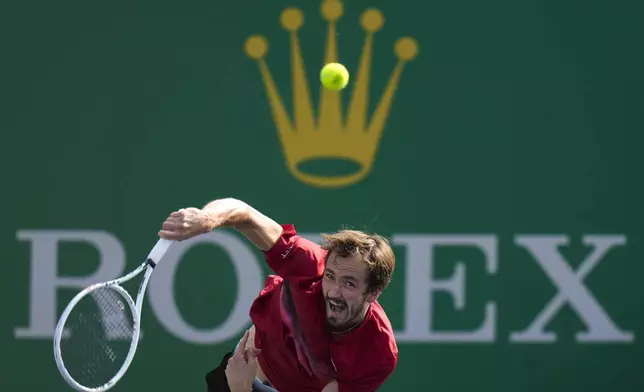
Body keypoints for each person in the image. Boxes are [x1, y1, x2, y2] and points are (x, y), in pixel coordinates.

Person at [158, 198, 398, 392]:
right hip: (239, 370)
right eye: (331, 276)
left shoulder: (378, 352)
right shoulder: (310, 265)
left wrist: (240, 389)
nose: (334, 291)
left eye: (348, 283)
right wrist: (207, 218)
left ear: (373, 293)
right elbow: (245, 214)